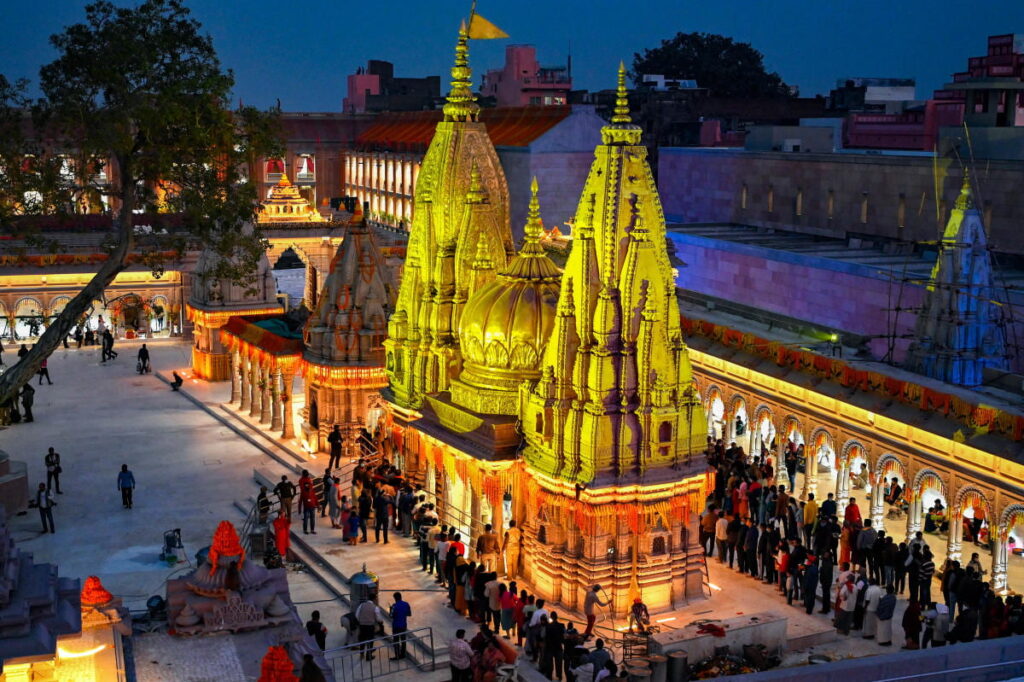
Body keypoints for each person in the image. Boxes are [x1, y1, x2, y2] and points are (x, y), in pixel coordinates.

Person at [541, 611, 566, 680]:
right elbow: (564, 636)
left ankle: (549, 676)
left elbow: (543, 635)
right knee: (559, 663)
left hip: (550, 647)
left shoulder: (548, 626)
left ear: (551, 617)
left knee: (549, 663)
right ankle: (559, 676)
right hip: (558, 647)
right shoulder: (562, 625)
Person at [389, 591, 412, 660]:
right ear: (401, 597)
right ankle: (403, 654)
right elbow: (409, 614)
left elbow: (391, 615)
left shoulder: (394, 606)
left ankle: (397, 656)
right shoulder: (406, 604)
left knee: (396, 641)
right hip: (403, 625)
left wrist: (390, 610)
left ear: (395, 598)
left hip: (396, 626)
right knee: (403, 640)